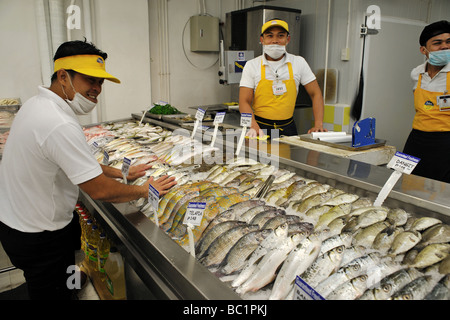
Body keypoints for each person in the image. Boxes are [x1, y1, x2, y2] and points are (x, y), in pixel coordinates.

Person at [0, 40, 176, 300]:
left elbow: (74, 161)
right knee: (50, 293)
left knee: (56, 279)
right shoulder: (57, 122)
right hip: (38, 234)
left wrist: (123, 173)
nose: (96, 89)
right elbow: (99, 190)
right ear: (63, 76)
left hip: (18, 222)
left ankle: (68, 281)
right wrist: (145, 190)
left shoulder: (37, 105)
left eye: (100, 82)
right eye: (89, 80)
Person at [239, 19, 327, 138]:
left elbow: (316, 93)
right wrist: (252, 124)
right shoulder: (252, 65)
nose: (275, 40)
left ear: (287, 39)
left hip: (288, 128)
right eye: (270, 36)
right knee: (258, 157)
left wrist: (318, 124)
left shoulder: (299, 62)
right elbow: (244, 101)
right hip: (260, 128)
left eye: (280, 36)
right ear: (262, 40)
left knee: (287, 157)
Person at [403, 20, 450, 183]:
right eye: (437, 43)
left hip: (446, 141)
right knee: (407, 182)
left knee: (442, 191)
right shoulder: (416, 73)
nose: (445, 47)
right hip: (417, 139)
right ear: (423, 50)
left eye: (449, 42)